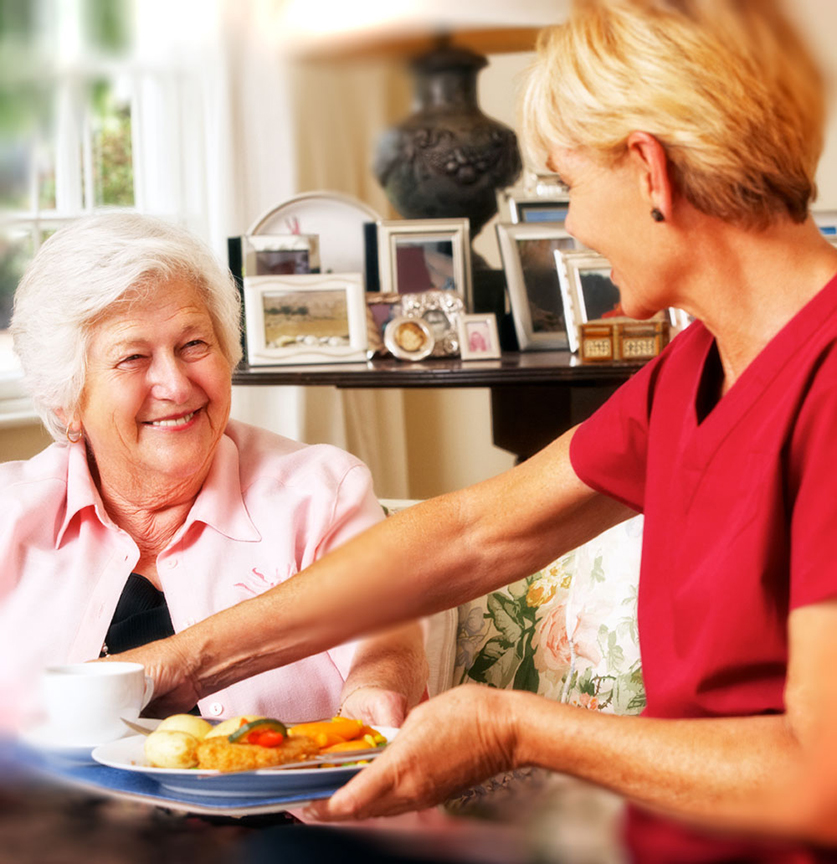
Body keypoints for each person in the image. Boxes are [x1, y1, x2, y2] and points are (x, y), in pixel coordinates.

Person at [74, 0, 837, 859]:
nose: (574, 229)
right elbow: (472, 534)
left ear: (649, 173)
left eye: (567, 187)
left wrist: (517, 730)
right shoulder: (697, 368)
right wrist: (182, 662)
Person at [0, 213, 427, 731]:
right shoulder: (10, 515)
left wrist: (375, 687)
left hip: (286, 806)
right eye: (132, 357)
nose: (176, 386)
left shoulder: (318, 495)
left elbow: (383, 635)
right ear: (67, 401)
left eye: (194, 345)